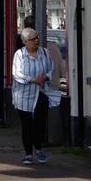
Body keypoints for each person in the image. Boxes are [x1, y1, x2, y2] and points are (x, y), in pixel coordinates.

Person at [12, 27, 55, 165]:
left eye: (37, 37)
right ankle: (28, 154)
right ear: (25, 41)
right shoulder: (19, 55)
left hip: (41, 92)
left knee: (40, 122)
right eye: (32, 39)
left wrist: (45, 77)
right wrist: (32, 79)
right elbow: (16, 74)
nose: (36, 40)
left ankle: (39, 149)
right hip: (24, 95)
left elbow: (51, 68)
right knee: (27, 124)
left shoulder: (44, 52)